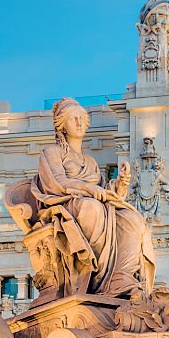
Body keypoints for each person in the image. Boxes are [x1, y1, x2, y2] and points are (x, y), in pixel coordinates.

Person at [31, 97, 155, 298]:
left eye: (82, 119)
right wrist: (88, 189)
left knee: (133, 220)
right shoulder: (51, 152)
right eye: (74, 119)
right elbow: (58, 183)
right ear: (62, 125)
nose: (80, 123)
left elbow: (105, 190)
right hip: (66, 206)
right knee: (93, 209)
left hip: (96, 206)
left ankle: (121, 277)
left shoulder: (90, 161)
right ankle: (97, 280)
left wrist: (121, 182)